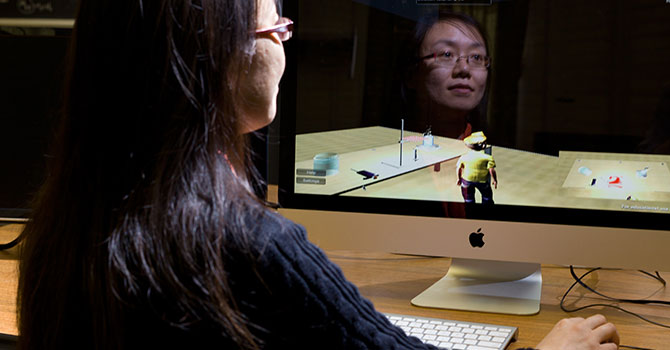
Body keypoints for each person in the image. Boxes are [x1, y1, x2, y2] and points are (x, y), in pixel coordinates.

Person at [17, 1, 619, 349]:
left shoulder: (63, 227)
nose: (285, 42)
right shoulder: (255, 243)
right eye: (275, 26)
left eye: (478, 58)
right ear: (217, 55)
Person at [400, 12, 490, 142]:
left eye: (476, 57)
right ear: (412, 74)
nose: (464, 69)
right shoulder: (388, 148)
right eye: (447, 54)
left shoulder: (500, 155)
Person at [456, 131, 498, 205]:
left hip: (467, 180)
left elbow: (458, 169)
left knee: (468, 199)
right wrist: (494, 180)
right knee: (487, 197)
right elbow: (491, 170)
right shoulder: (488, 158)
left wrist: (459, 179)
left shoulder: (464, 157)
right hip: (482, 181)